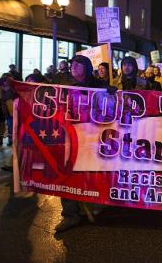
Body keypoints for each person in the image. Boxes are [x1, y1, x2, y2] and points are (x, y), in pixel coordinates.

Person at [55, 55, 102, 233]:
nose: (73, 67)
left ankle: (93, 204)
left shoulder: (98, 86)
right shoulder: (66, 86)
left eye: (78, 64)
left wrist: (111, 92)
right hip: (70, 136)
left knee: (91, 174)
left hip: (92, 137)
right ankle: (70, 214)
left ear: (87, 67)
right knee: (66, 173)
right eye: (72, 64)